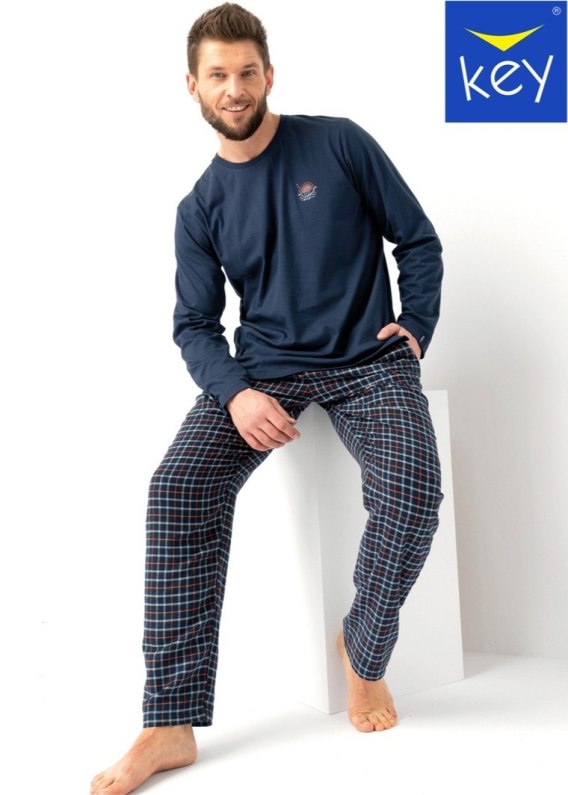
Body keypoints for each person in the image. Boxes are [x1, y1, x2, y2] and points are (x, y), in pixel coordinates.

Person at [90, 3, 445, 793]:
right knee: (177, 488)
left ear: (269, 75)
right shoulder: (199, 207)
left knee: (415, 488)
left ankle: (364, 648)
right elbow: (193, 326)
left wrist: (415, 325)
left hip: (368, 360)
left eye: (247, 71)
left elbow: (417, 239)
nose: (235, 87)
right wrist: (238, 394)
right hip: (264, 372)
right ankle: (169, 721)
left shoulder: (339, 142)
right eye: (218, 75)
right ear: (193, 86)